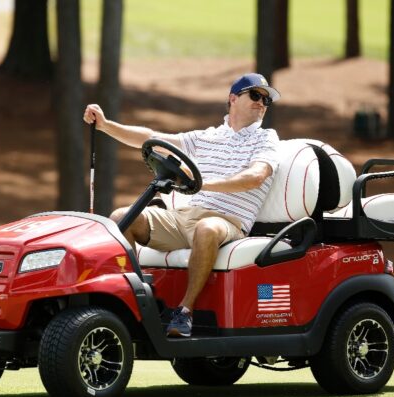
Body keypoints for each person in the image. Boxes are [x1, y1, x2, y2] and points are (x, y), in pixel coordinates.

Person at [83, 73, 281, 338]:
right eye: (255, 95)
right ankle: (135, 303)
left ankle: (184, 312)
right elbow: (151, 137)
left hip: (228, 221)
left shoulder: (266, 138)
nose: (262, 103)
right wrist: (106, 126)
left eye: (266, 99)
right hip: (187, 216)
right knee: (123, 217)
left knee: (207, 228)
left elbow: (254, 177)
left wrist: (203, 184)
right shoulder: (207, 137)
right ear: (233, 99)